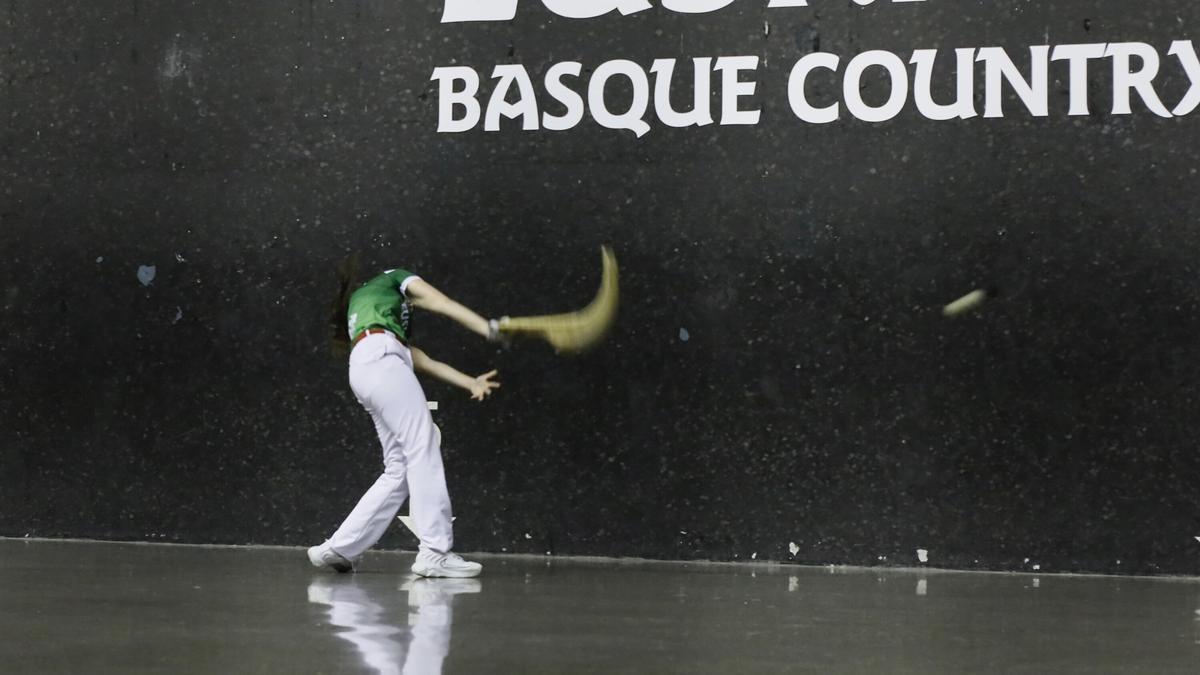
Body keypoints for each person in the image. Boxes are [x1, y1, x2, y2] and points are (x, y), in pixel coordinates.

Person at [307, 266, 503, 578]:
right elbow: (442, 303)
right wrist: (487, 328)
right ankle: (435, 553)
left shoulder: (373, 316)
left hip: (364, 370)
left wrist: (471, 382)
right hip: (383, 363)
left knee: (399, 468)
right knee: (422, 447)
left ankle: (340, 548)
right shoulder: (394, 277)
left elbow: (425, 361)